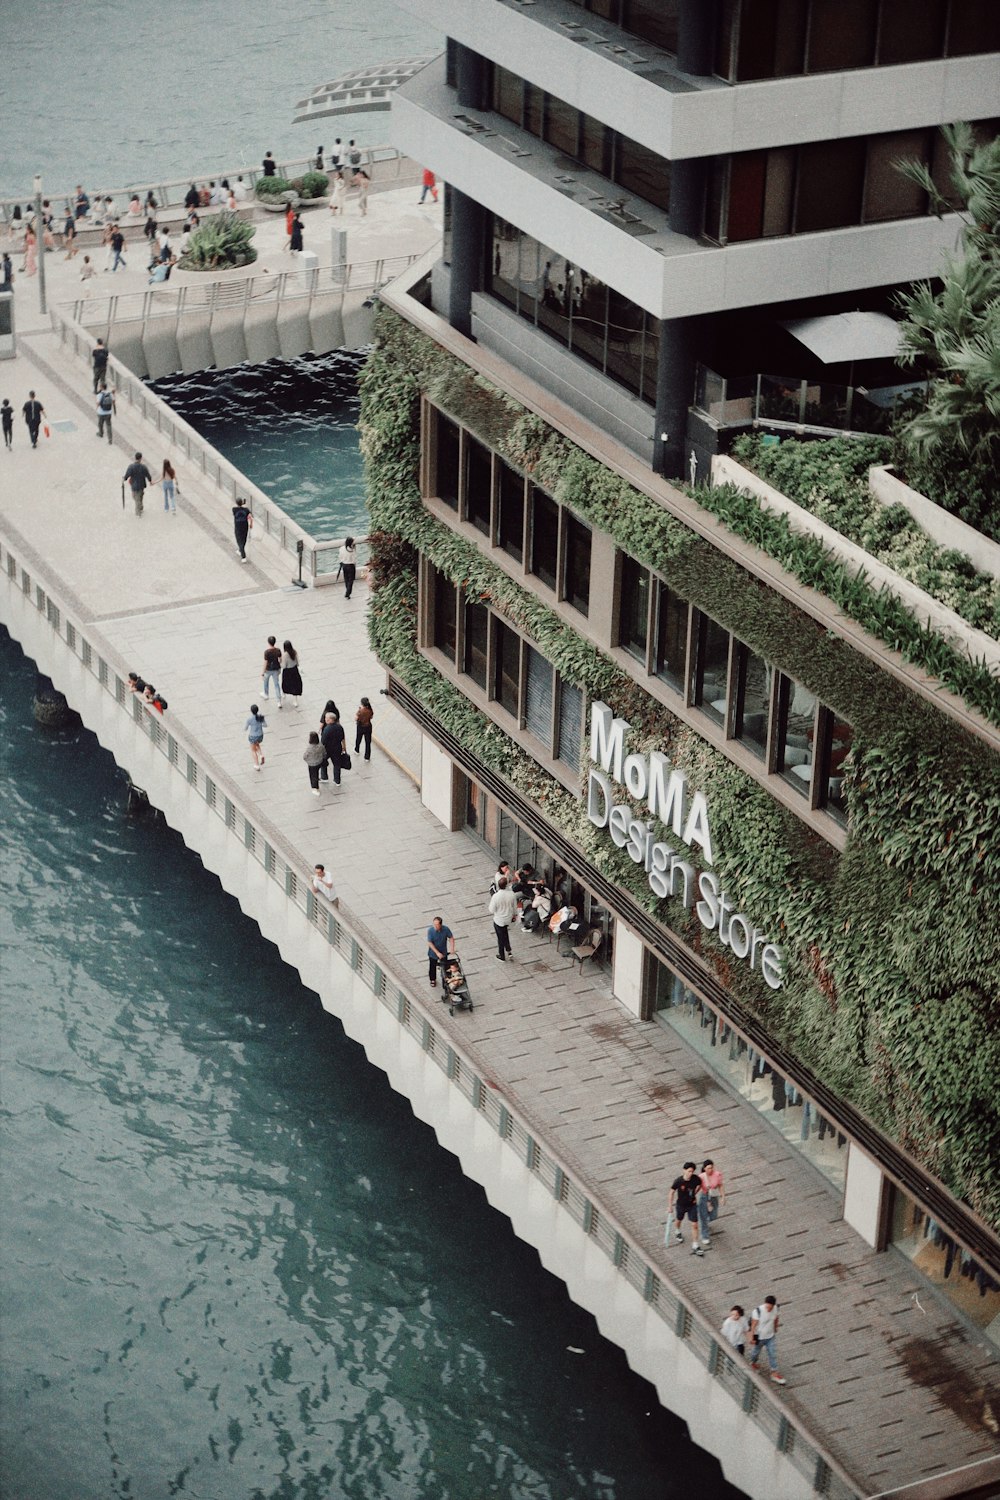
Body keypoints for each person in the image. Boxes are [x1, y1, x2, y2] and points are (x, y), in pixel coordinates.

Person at [666, 1162, 704, 1255]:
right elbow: (671, 1192)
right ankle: (677, 1231)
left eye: (692, 1171)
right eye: (689, 1171)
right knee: (679, 1220)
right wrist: (670, 1206)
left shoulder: (696, 1179)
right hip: (681, 1205)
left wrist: (695, 1193)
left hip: (692, 1205)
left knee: (694, 1225)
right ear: (684, 1170)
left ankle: (695, 1245)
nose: (690, 1173)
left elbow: (700, 1185)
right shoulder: (678, 1181)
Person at [748, 1297, 786, 1384]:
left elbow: (776, 1318)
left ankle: (774, 1373)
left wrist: (775, 1327)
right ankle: (753, 1363)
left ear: (773, 1306)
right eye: (767, 1307)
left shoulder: (776, 1308)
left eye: (770, 1307)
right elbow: (753, 1326)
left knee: (772, 1353)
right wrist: (752, 1338)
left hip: (770, 1336)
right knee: (755, 1352)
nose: (768, 1309)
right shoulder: (757, 1311)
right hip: (759, 1336)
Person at [489, 876, 518, 962]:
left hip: (499, 919)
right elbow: (515, 907)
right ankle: (509, 950)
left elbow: (491, 910)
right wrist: (514, 915)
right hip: (508, 918)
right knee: (505, 934)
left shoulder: (496, 896)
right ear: (506, 885)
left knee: (500, 937)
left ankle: (502, 956)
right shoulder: (512, 894)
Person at [698, 1158, 726, 1246]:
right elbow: (697, 1187)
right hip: (704, 1197)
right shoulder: (701, 1176)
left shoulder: (717, 1175)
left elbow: (720, 1186)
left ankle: (706, 1220)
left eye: (712, 1168)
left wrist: (723, 1197)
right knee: (704, 1218)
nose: (710, 1170)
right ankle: (705, 1236)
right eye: (708, 1168)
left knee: (714, 1215)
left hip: (713, 1196)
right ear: (704, 1168)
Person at [426, 915, 454, 987]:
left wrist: (452, 948)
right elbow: (430, 943)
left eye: (437, 924)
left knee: (445, 966)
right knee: (432, 966)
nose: (435, 926)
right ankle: (432, 979)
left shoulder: (446, 929)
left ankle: (446, 980)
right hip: (433, 952)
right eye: (434, 924)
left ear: (440, 924)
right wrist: (437, 953)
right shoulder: (430, 931)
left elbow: (451, 938)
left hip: (443, 951)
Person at [321, 711, 346, 785]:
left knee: (323, 762)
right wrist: (344, 747)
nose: (325, 719)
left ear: (331, 719)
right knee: (337, 764)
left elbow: (323, 741)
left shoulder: (327, 729)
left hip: (328, 749)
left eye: (327, 718)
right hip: (337, 748)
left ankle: (324, 777)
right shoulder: (340, 727)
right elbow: (342, 738)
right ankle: (337, 780)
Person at [262, 636, 283, 707]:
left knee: (265, 682)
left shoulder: (267, 652)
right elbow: (280, 660)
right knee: (276, 685)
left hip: (268, 670)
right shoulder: (278, 650)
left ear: (268, 643)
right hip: (276, 669)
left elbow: (265, 662)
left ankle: (266, 694)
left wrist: (262, 672)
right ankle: (279, 701)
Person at [245, 704, 266, 769]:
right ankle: (261, 754)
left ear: (251, 711)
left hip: (253, 736)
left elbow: (245, 728)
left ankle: (256, 765)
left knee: (253, 750)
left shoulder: (249, 719)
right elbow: (265, 725)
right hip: (260, 736)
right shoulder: (261, 717)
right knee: (257, 744)